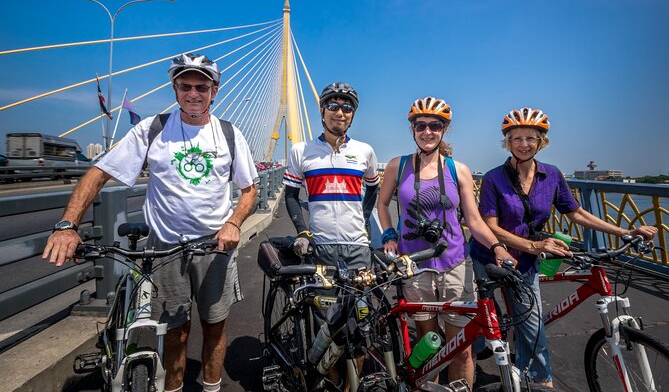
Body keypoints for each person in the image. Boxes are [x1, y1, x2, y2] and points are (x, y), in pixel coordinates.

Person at [42, 53, 259, 392]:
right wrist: (68, 225)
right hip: (166, 247)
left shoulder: (230, 135)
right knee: (175, 331)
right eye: (185, 86)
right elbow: (99, 172)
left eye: (201, 87)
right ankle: (172, 388)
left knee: (215, 326)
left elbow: (249, 190)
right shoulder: (153, 129)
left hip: (215, 246)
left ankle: (212, 387)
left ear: (214, 90)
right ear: (174, 88)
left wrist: (234, 223)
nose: (193, 94)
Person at [469, 107, 658, 387]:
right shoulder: (494, 178)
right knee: (490, 317)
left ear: (541, 142)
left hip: (527, 261)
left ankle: (537, 380)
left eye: (531, 138)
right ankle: (485, 352)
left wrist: (625, 231)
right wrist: (534, 244)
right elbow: (490, 227)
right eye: (517, 138)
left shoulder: (552, 175)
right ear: (507, 142)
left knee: (531, 325)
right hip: (490, 256)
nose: (524, 144)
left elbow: (576, 213)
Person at [377, 96, 514, 389]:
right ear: (412, 129)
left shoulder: (458, 170)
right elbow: (382, 205)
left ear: (444, 130)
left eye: (435, 126)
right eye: (421, 125)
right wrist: (389, 235)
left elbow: (474, 221)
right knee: (428, 349)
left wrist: (497, 247)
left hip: (454, 266)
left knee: (462, 350)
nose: (428, 131)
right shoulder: (396, 167)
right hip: (415, 269)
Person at [283, 82, 380, 386]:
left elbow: (373, 188)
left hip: (357, 250)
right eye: (334, 106)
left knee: (360, 325)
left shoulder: (364, 151)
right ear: (322, 111)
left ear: (353, 115)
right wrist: (303, 231)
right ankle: (332, 383)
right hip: (321, 249)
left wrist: (363, 221)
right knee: (326, 327)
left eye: (347, 107)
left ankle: (352, 385)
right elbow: (290, 195)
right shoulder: (302, 151)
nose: (340, 112)